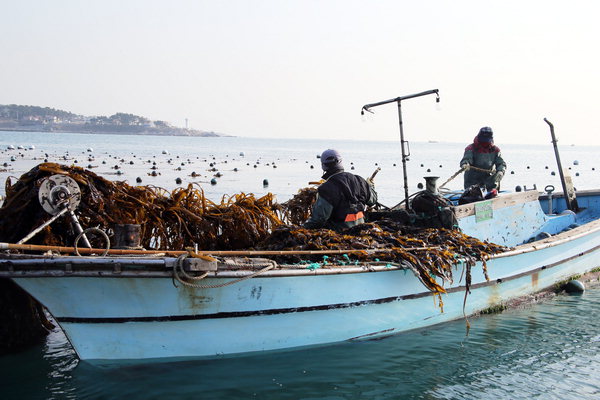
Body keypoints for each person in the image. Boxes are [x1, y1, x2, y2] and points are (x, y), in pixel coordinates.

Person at [303, 149, 377, 230]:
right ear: (341, 162)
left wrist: (301, 228)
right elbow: (373, 200)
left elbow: (318, 221)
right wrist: (370, 185)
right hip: (362, 231)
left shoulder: (326, 189)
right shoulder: (360, 181)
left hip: (339, 235)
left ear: (323, 166)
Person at [460, 126, 506, 191]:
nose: (484, 143)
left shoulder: (495, 150)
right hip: (472, 183)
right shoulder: (470, 148)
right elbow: (466, 159)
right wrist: (465, 164)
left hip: (490, 183)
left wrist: (501, 171)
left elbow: (501, 163)